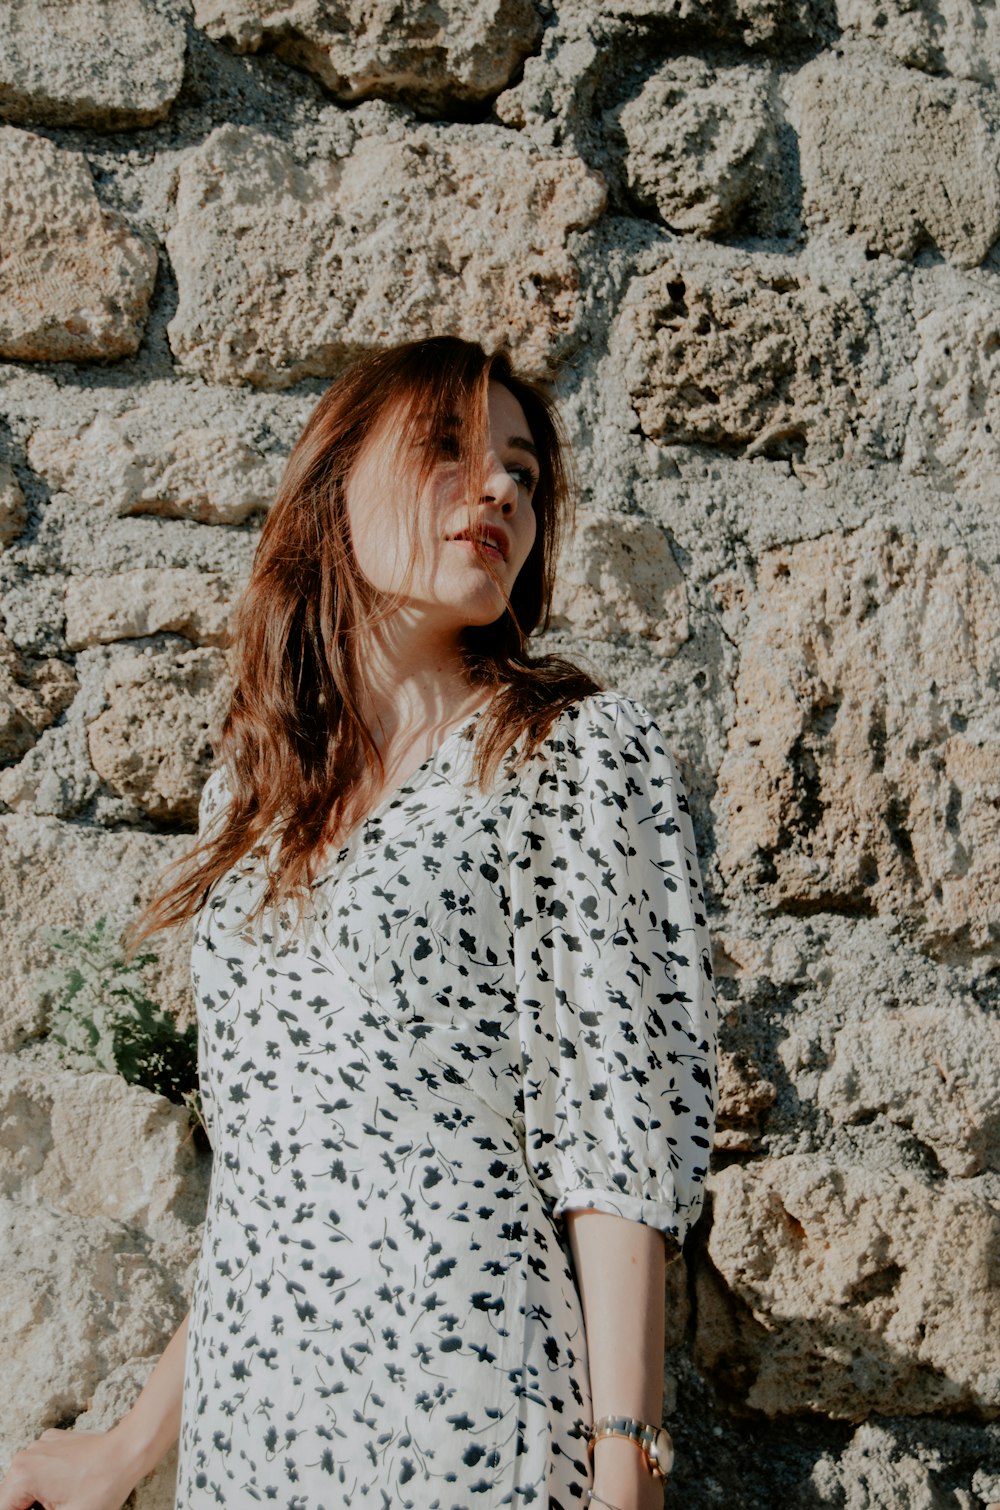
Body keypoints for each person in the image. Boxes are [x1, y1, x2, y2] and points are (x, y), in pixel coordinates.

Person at [0, 337, 717, 1510]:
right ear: (335, 483)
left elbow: (615, 1143)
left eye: (523, 474)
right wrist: (133, 1445)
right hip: (250, 1436)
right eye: (448, 450)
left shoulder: (568, 755)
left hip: (461, 1415)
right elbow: (279, 1178)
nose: (497, 491)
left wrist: (624, 1463)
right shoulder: (252, 795)